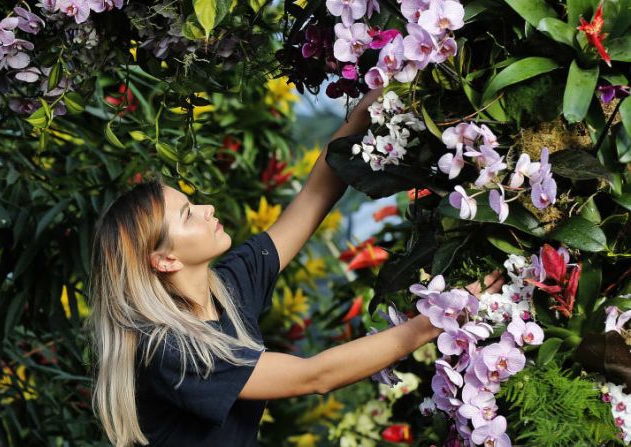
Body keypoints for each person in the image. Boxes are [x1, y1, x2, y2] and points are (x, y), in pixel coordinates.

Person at [87, 87, 506, 447]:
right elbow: (314, 377)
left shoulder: (227, 287)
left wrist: (365, 114)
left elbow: (313, 200)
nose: (207, 208)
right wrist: (435, 319)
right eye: (187, 215)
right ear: (165, 260)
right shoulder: (169, 349)